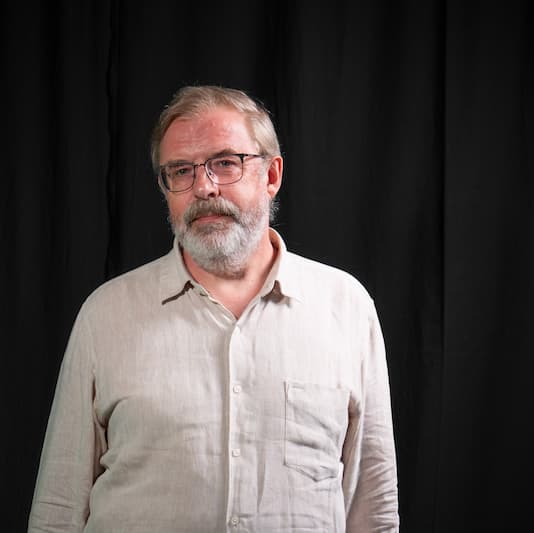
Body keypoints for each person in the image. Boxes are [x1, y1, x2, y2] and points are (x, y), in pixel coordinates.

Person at [28, 86, 399, 532]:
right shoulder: (106, 314)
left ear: (271, 175)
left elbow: (374, 510)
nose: (203, 187)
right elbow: (58, 509)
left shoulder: (346, 307)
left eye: (226, 163)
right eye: (181, 171)